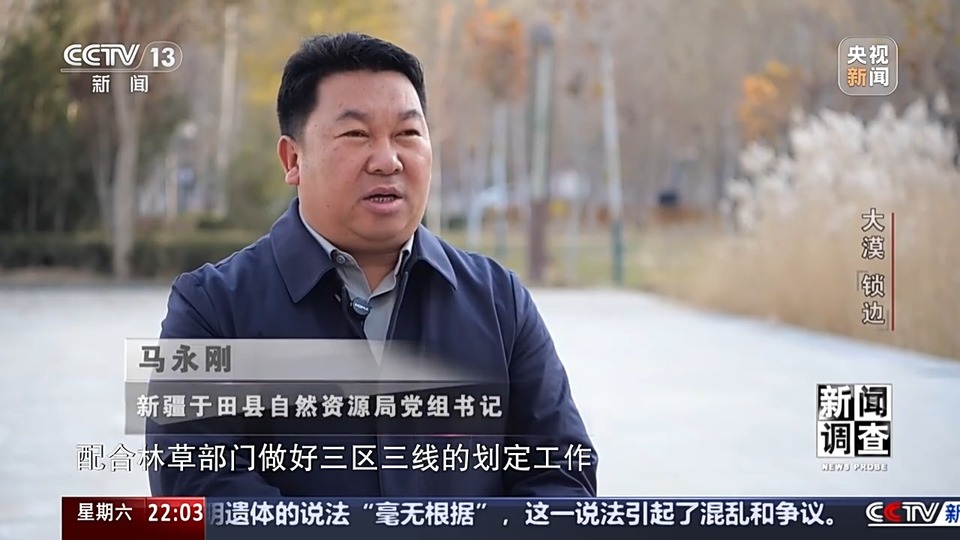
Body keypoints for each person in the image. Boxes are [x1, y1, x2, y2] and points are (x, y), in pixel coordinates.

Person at [146, 32, 597, 498]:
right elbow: (198, 486)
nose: (387, 161)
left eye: (407, 134)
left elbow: (562, 477)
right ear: (293, 158)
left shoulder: (499, 302)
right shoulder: (212, 308)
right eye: (356, 135)